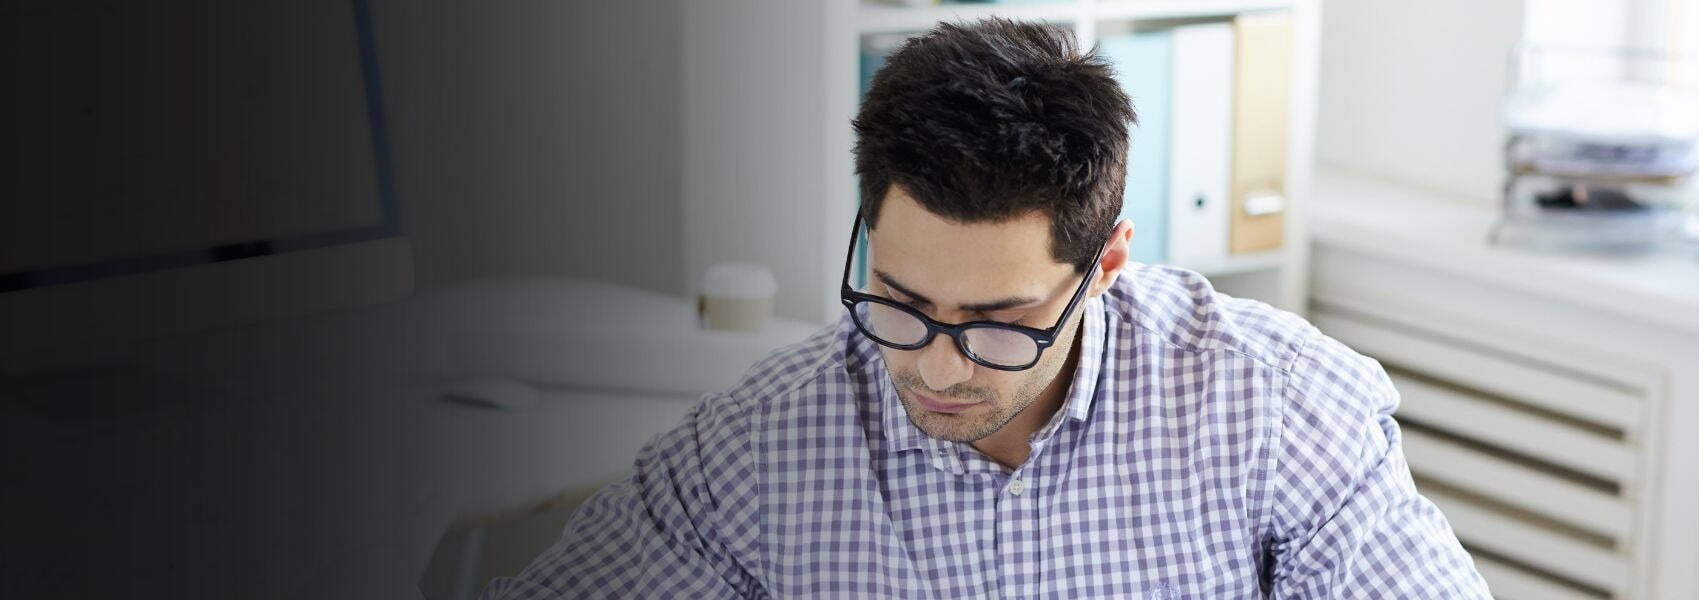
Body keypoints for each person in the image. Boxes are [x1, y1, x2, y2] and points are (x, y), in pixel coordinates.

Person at [486, 18, 1489, 598]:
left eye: (997, 322)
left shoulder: (1270, 407)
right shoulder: (756, 450)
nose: (934, 366)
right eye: (899, 301)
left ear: (1104, 269)